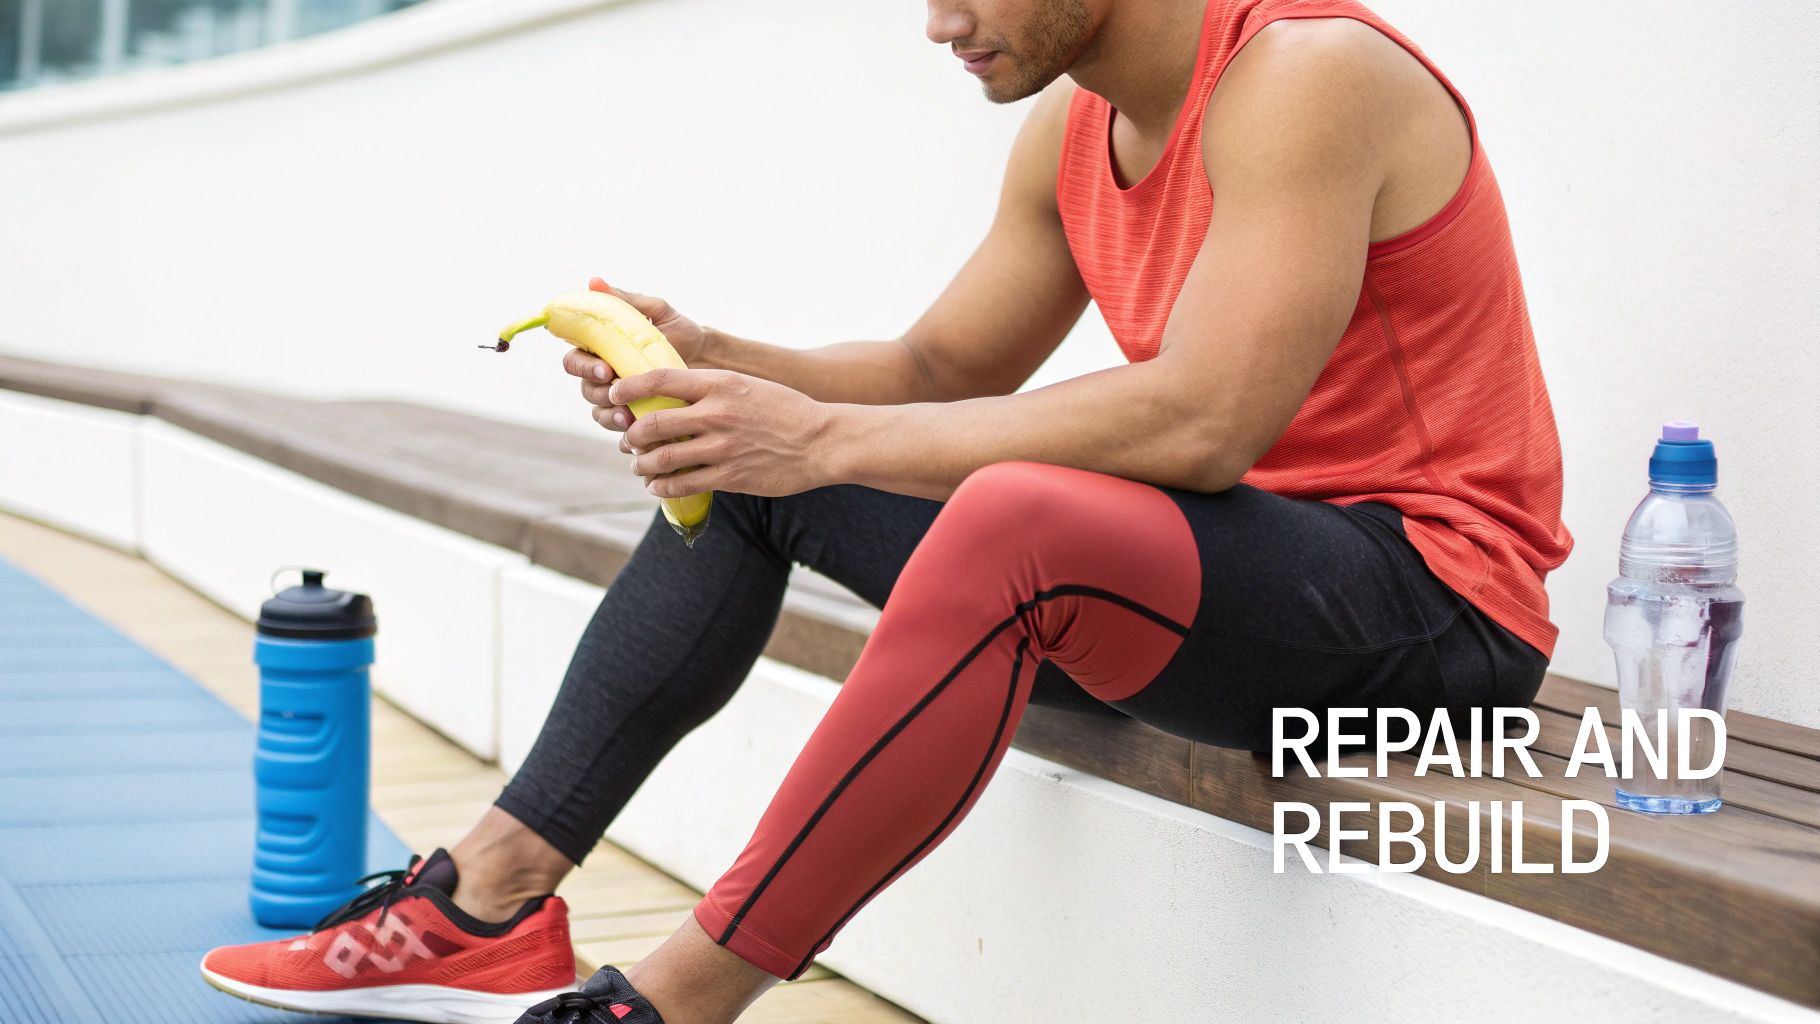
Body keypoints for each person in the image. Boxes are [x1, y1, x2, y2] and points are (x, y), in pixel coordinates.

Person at [200, 0, 1573, 1021]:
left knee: (996, 511)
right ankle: (485, 901)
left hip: (1429, 615)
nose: (937, 22)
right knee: (755, 471)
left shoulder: (1310, 73)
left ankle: (668, 1006)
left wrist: (823, 437)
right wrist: (727, 371)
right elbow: (937, 369)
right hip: (1198, 595)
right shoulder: (1073, 129)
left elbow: (1209, 422)